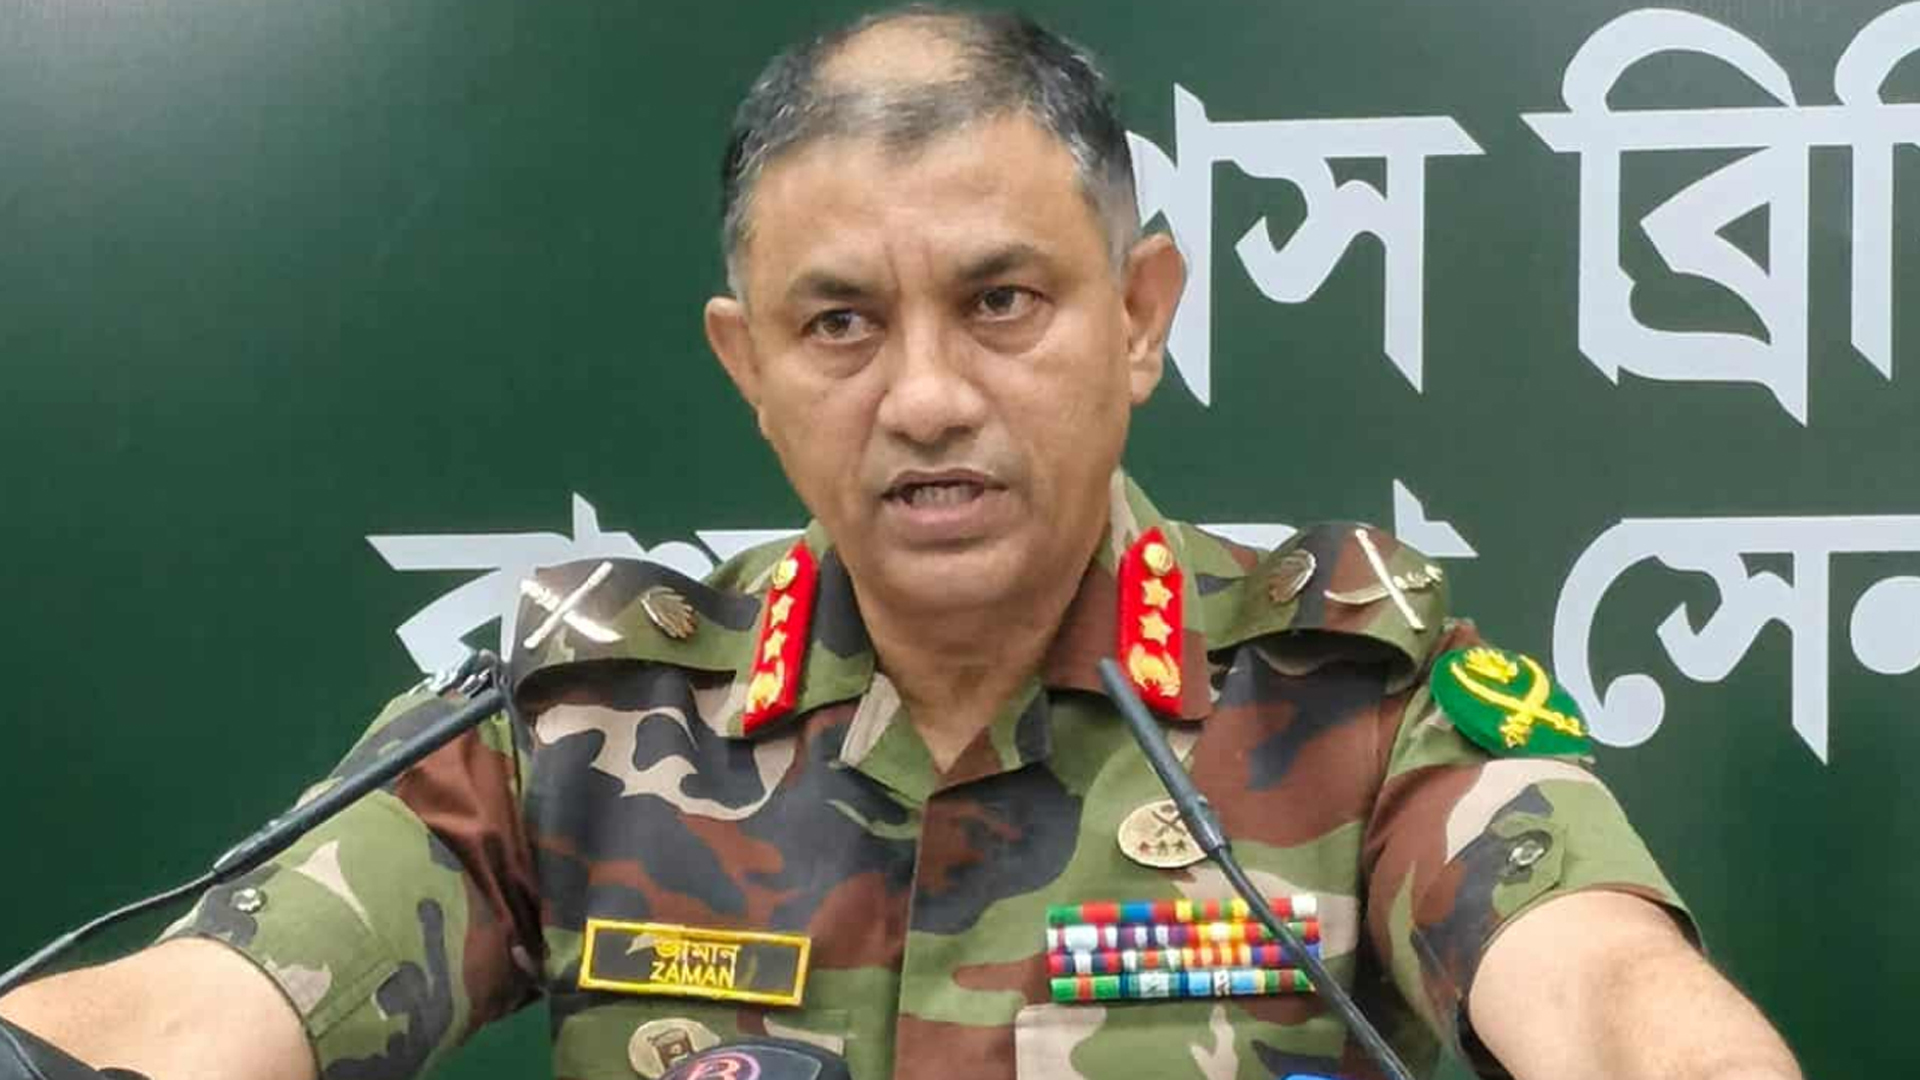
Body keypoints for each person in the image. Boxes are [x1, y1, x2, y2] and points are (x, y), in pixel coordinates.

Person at [0, 7, 1803, 1080]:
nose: (927, 397)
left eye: (1002, 302)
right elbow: (207, 1010)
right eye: (842, 324)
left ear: (1140, 317)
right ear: (750, 367)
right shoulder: (578, 726)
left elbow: (1609, 995)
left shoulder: (1358, 707)